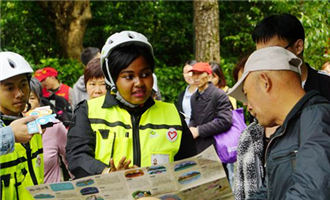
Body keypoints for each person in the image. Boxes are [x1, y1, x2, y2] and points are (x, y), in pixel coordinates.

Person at [66, 31, 197, 179]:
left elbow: (189, 166)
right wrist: (108, 172)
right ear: (111, 79)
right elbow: (77, 156)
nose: (139, 83)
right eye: (128, 76)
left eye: (145, 74)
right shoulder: (88, 112)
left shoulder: (173, 114)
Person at [229, 46, 330, 200]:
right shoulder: (284, 132)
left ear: (265, 82)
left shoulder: (315, 117)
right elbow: (268, 192)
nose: (248, 105)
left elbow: (310, 193)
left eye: (247, 94)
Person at [252, 13, 330, 101]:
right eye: (260, 56)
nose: (267, 61)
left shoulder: (326, 86)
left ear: (298, 47)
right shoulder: (263, 94)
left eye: (274, 53)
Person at [0, 52, 43, 200]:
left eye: (23, 85)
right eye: (10, 88)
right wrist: (9, 136)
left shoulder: (32, 126)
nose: (19, 93)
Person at [188, 62, 232, 177]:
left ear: (208, 76)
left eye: (199, 74)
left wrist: (199, 130)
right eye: (193, 74)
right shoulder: (194, 97)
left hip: (215, 150)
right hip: (198, 150)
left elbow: (226, 120)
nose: (195, 77)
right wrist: (190, 129)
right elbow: (193, 117)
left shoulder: (219, 94)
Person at [23, 78, 71, 183]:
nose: (26, 104)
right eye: (22, 98)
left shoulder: (54, 126)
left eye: (31, 98)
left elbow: (72, 160)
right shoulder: (6, 131)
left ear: (39, 101)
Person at [232, 55, 265, 200]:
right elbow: (239, 188)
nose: (245, 102)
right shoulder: (249, 134)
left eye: (247, 90)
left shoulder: (303, 132)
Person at [176, 60, 197, 125]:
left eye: (192, 72)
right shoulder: (182, 95)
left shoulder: (206, 93)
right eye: (186, 72)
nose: (189, 75)